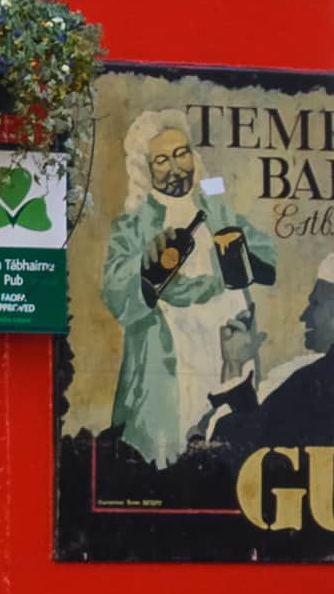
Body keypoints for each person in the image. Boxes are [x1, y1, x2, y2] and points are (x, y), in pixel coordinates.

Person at [96, 115, 272, 468]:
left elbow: (267, 260)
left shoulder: (218, 209)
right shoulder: (134, 224)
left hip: (229, 356)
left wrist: (240, 259)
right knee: (173, 459)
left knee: (233, 453)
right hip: (171, 361)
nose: (176, 167)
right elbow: (116, 293)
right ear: (145, 169)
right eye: (162, 160)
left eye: (182, 153)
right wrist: (148, 269)